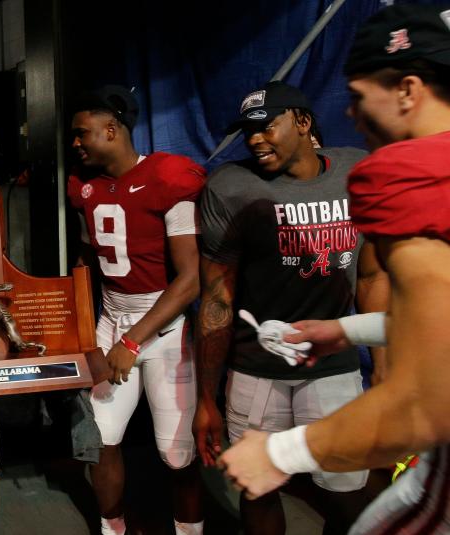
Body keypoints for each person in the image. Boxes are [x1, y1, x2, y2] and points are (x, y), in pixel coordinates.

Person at [219, 5, 450, 533]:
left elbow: (426, 400)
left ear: (408, 90)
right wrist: (348, 329)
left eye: (359, 97)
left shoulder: (409, 178)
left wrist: (281, 453)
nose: (350, 114)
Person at [195, 80, 386, 534]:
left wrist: (382, 367)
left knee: (347, 492)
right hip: (256, 371)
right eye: (248, 131)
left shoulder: (355, 173)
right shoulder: (231, 187)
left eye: (266, 126)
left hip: (334, 368)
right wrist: (206, 397)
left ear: (302, 122)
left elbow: (373, 276)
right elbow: (217, 299)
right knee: (257, 489)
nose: (255, 139)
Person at [67, 85, 206, 535]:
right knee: (101, 440)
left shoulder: (169, 176)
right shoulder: (83, 186)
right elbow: (90, 260)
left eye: (82, 133)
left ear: (112, 130)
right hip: (112, 320)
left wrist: (132, 340)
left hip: (163, 329)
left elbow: (189, 279)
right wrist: (87, 326)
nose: (75, 142)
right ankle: (113, 529)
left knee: (176, 453)